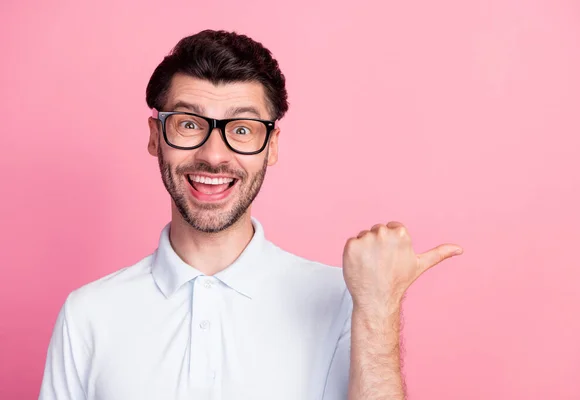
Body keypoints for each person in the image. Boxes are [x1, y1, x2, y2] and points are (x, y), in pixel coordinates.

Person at [39, 30, 462, 400]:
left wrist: (378, 307)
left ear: (272, 146)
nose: (213, 155)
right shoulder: (89, 314)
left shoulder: (342, 300)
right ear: (156, 137)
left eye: (242, 130)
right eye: (189, 124)